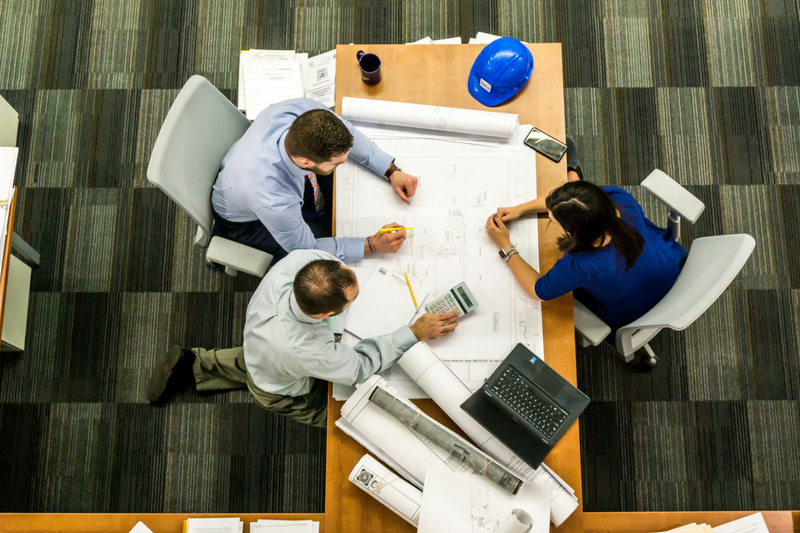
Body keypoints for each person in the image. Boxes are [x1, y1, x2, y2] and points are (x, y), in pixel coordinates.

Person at [146, 249, 458, 427]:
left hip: (260, 343)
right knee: (343, 415)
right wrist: (413, 331)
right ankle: (345, 422)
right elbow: (360, 367)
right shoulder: (306, 349)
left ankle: (194, 363)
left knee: (257, 360)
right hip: (280, 387)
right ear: (326, 314)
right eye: (351, 301)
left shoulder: (301, 262)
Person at [485, 139, 687, 343]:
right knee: (568, 150)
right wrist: (521, 209)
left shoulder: (580, 265)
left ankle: (573, 170)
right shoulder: (618, 199)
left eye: (555, 221)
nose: (551, 221)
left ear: (576, 232)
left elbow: (538, 290)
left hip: (635, 313)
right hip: (671, 266)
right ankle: (574, 171)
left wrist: (505, 246)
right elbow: (569, 202)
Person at [211, 98, 420, 262]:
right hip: (246, 223)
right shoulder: (273, 198)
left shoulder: (303, 111)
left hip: (249, 173)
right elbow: (307, 249)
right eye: (337, 163)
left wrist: (390, 170)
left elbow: (348, 132)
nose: (344, 164)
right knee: (324, 263)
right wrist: (371, 244)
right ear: (305, 162)